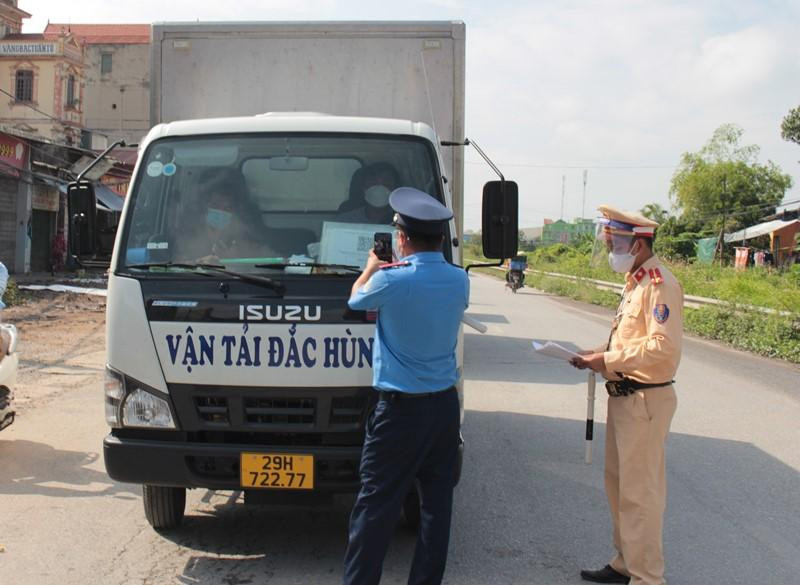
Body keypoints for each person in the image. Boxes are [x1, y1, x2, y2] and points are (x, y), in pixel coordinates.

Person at [342, 187, 469, 585]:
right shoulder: (459, 280)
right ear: (440, 238)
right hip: (443, 409)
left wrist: (370, 267)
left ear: (402, 238)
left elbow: (355, 301)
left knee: (376, 506)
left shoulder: (391, 279)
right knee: (436, 508)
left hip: (400, 414)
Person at [570, 205, 683, 585]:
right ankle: (625, 563)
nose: (609, 250)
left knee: (641, 495)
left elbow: (661, 347)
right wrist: (595, 355)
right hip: (623, 397)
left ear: (637, 244)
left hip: (645, 400)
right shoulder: (635, 282)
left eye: (614, 243)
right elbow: (628, 341)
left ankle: (647, 577)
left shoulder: (659, 284)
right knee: (618, 487)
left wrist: (607, 359)